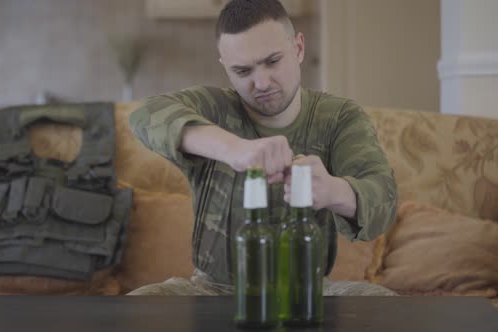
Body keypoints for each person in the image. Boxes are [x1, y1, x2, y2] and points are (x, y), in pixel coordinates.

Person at [127, 0, 397, 296]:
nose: (262, 82)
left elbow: (383, 200)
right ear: (225, 67)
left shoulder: (340, 117)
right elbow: (145, 115)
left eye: (273, 61)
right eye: (243, 71)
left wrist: (335, 191)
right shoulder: (213, 108)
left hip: (306, 289)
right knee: (139, 307)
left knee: (381, 303)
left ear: (298, 48)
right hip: (210, 291)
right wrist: (234, 149)